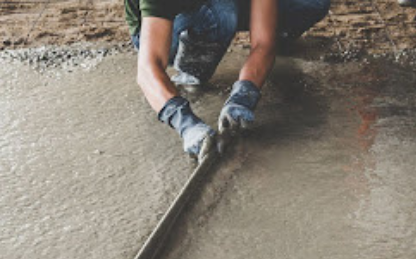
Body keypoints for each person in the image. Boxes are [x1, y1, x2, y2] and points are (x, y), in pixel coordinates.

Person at [125, 0, 331, 160]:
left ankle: (278, 33)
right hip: (157, 29)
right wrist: (184, 122)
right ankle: (192, 70)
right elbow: (147, 69)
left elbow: (263, 44)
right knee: (222, 13)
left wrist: (245, 93)